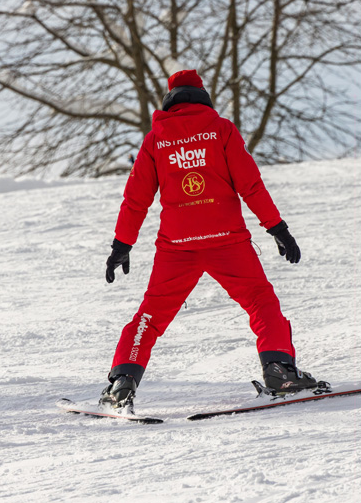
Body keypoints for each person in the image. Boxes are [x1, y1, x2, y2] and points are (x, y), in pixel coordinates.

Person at [100, 70, 316, 410]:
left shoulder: (156, 139)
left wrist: (122, 244)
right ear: (202, 96)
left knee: (151, 315)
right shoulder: (222, 130)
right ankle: (280, 371)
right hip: (226, 241)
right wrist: (277, 227)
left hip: (177, 246)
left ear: (171, 98)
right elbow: (251, 184)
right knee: (261, 301)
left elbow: (135, 197)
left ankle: (122, 381)